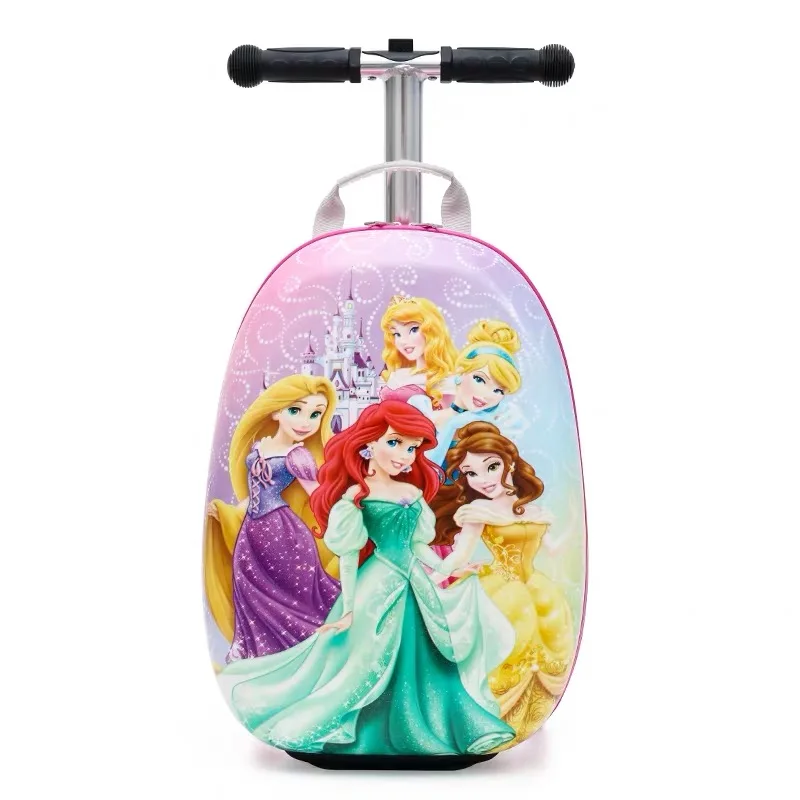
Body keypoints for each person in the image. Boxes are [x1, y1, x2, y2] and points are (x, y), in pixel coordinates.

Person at [216, 401, 516, 756]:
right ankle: (368, 728)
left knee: (428, 657)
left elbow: (418, 547)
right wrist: (348, 607)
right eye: (395, 443)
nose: (403, 455)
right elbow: (348, 554)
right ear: (369, 443)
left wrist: (449, 569)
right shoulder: (357, 496)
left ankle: (438, 723)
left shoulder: (413, 494)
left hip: (415, 584)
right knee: (365, 662)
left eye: (411, 448)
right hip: (376, 585)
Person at [430, 422, 575, 743]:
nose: (482, 479)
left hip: (538, 590)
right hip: (500, 591)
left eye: (491, 467)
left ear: (509, 463)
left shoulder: (533, 510)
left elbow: (554, 549)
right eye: (470, 473)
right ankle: (489, 720)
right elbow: (459, 555)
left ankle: (525, 718)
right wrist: (431, 580)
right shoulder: (477, 510)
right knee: (506, 647)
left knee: (541, 649)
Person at [204, 375, 341, 661]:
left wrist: (342, 520)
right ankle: (250, 645)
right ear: (276, 411)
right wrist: (226, 510)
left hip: (283, 533)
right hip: (252, 530)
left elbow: (317, 496)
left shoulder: (299, 455)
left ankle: (306, 647)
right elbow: (254, 491)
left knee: (289, 593)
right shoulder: (260, 446)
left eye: (316, 414)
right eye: (296, 410)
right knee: (247, 585)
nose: (305, 422)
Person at [379, 294, 458, 408]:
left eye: (414, 329)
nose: (403, 341)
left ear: (432, 330)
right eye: (397, 334)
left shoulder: (446, 380)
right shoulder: (398, 374)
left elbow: (448, 416)